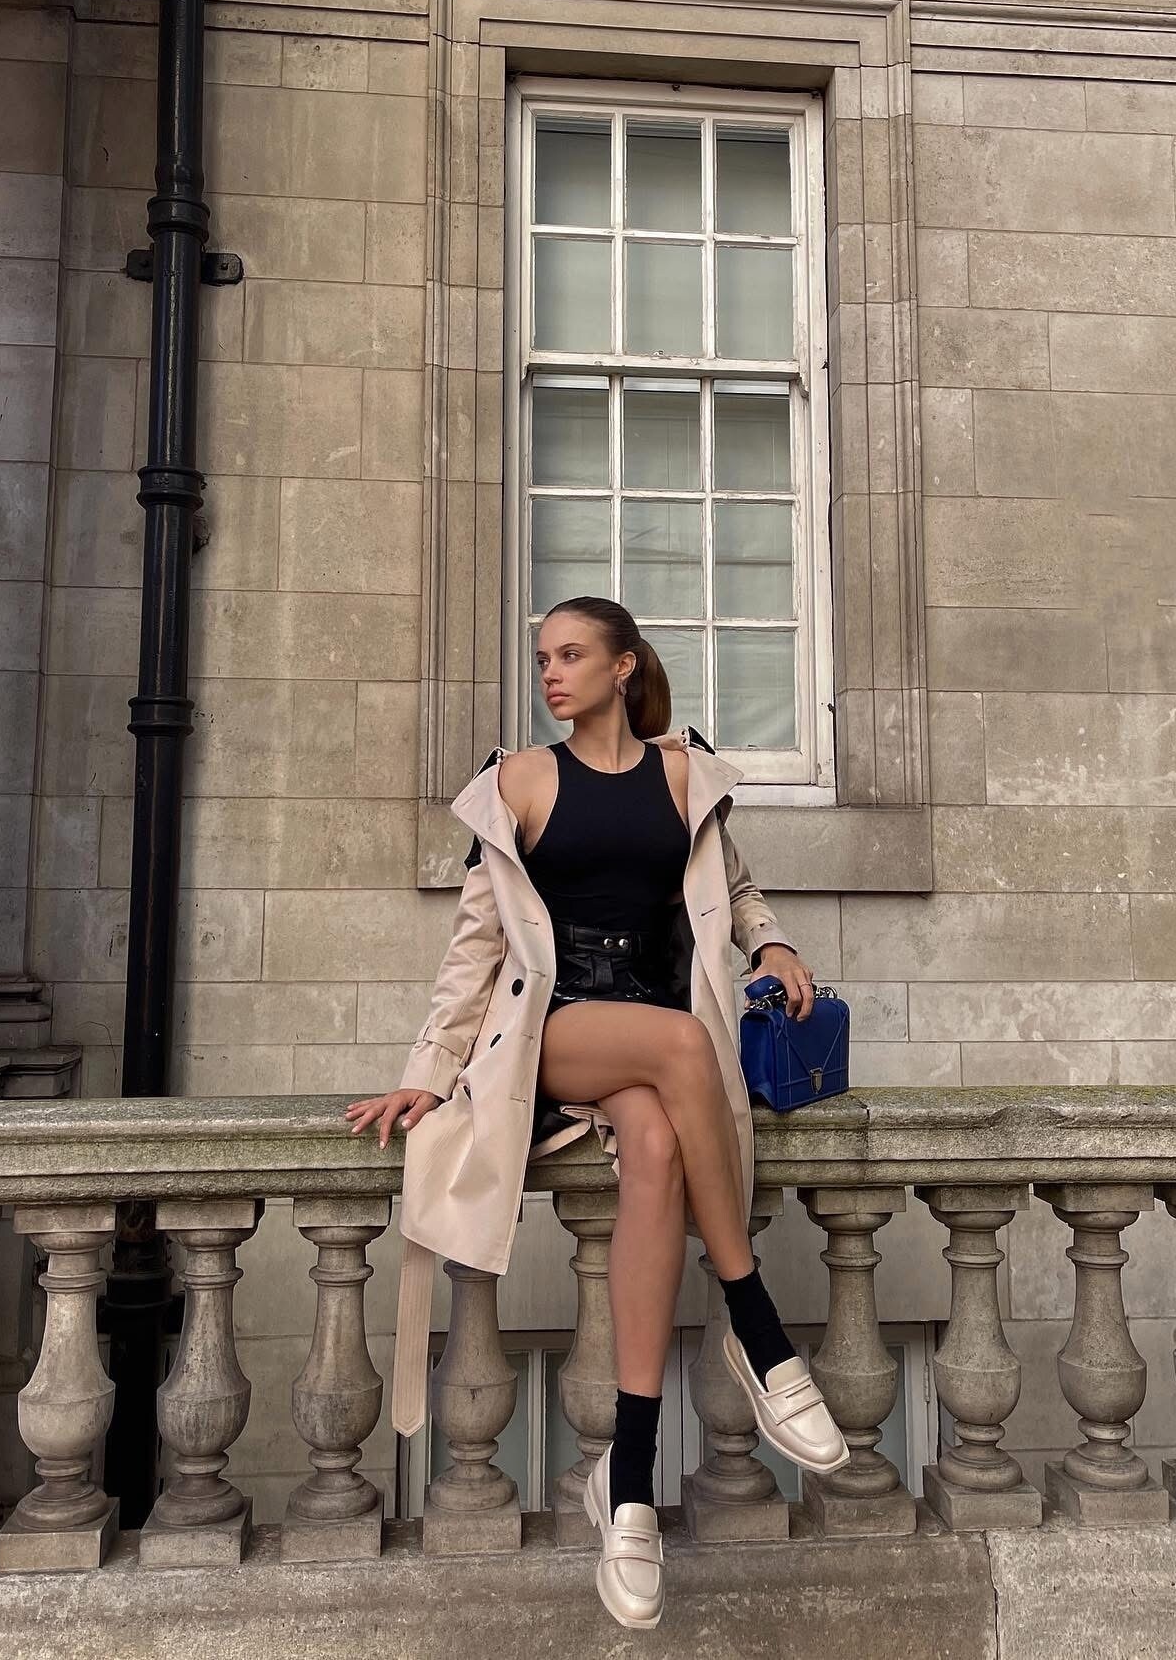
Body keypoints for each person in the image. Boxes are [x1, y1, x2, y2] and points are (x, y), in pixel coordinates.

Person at [344, 596, 847, 1630]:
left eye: (571, 654)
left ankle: (627, 1487)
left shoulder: (683, 774)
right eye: (543, 657)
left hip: (649, 1032)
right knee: (685, 1044)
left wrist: (774, 943)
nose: (551, 672)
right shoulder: (519, 781)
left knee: (655, 1144)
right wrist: (428, 1071)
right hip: (554, 1024)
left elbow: (735, 892)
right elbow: (476, 947)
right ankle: (753, 1321)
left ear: (624, 666)